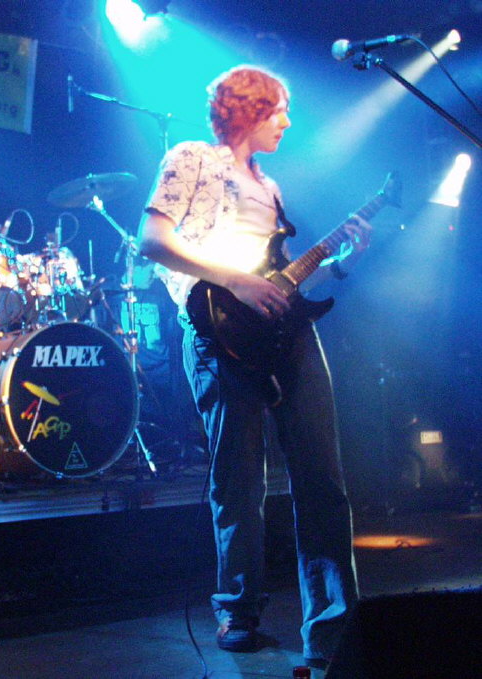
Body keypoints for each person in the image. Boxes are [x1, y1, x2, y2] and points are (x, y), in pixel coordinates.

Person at [137, 65, 370, 668]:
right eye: (279, 111)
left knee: (322, 476)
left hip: (287, 335)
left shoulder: (271, 186)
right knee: (239, 479)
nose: (288, 122)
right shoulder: (192, 158)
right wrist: (234, 281)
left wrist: (339, 261)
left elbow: (281, 279)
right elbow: (152, 240)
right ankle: (237, 610)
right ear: (249, 109)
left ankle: (334, 627)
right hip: (218, 330)